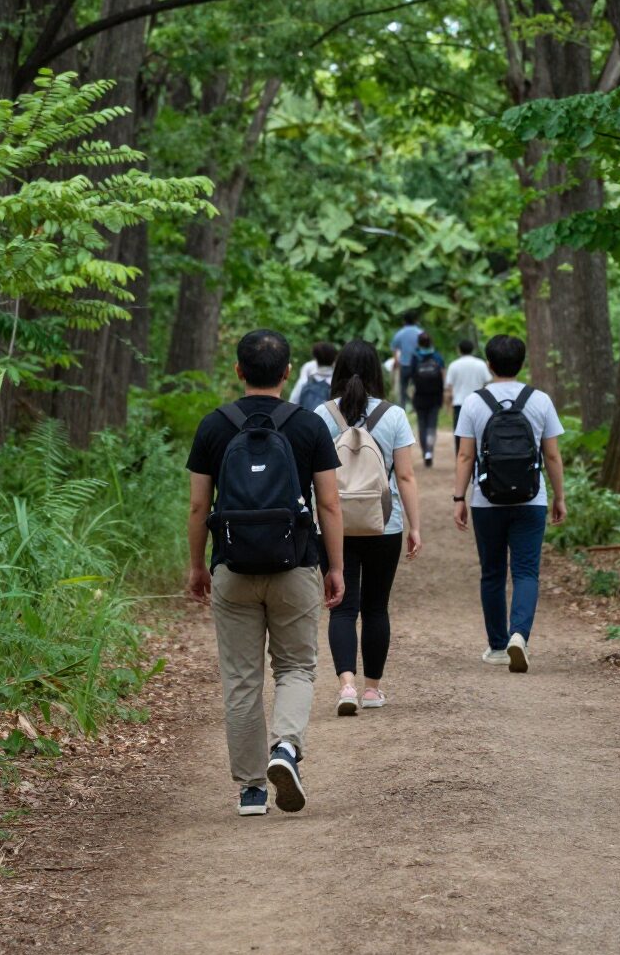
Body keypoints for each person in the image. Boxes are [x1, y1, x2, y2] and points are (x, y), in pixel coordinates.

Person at [186, 330, 345, 817]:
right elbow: (330, 504)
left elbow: (198, 507)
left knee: (241, 679)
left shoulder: (214, 426)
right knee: (295, 667)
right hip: (295, 564)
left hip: (232, 566)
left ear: (238, 370)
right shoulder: (309, 426)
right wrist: (335, 566)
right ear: (287, 372)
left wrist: (197, 565)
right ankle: (286, 748)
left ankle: (252, 790)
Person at [315, 339, 422, 713]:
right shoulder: (394, 416)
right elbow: (405, 476)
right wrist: (414, 526)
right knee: (376, 608)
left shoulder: (322, 414)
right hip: (384, 524)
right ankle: (372, 691)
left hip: (333, 525)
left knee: (341, 608)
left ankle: (346, 686)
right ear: (378, 372)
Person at [452, 334, 566, 672]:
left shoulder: (474, 402)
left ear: (489, 364)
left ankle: (499, 646)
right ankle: (520, 635)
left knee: (492, 573)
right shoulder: (540, 400)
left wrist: (459, 498)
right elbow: (552, 455)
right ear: (522, 363)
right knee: (526, 571)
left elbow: (465, 456)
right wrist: (559, 496)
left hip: (486, 500)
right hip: (531, 499)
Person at [444, 339, 488, 458]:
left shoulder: (454, 365)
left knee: (460, 436)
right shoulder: (481, 364)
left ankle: (461, 461)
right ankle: (478, 460)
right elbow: (487, 382)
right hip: (479, 404)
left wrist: (448, 405)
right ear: (472, 349)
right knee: (479, 434)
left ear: (459, 350)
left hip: (459, 404)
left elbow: (449, 387)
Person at [408, 331, 445, 467]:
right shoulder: (437, 356)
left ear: (419, 343)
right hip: (435, 396)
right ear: (431, 342)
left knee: (422, 424)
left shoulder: (415, 357)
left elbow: (411, 377)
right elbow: (443, 376)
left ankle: (425, 452)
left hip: (420, 396)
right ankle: (430, 451)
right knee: (431, 425)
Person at [289, 341, 337, 411]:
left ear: (315, 358)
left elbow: (292, 402)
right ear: (334, 359)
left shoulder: (305, 381)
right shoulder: (336, 384)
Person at [390, 310, 423, 406]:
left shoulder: (400, 333)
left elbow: (394, 348)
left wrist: (396, 360)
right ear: (416, 320)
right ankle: (417, 406)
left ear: (404, 321)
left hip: (404, 364)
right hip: (418, 365)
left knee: (403, 388)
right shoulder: (420, 333)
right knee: (418, 387)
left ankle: (403, 407)